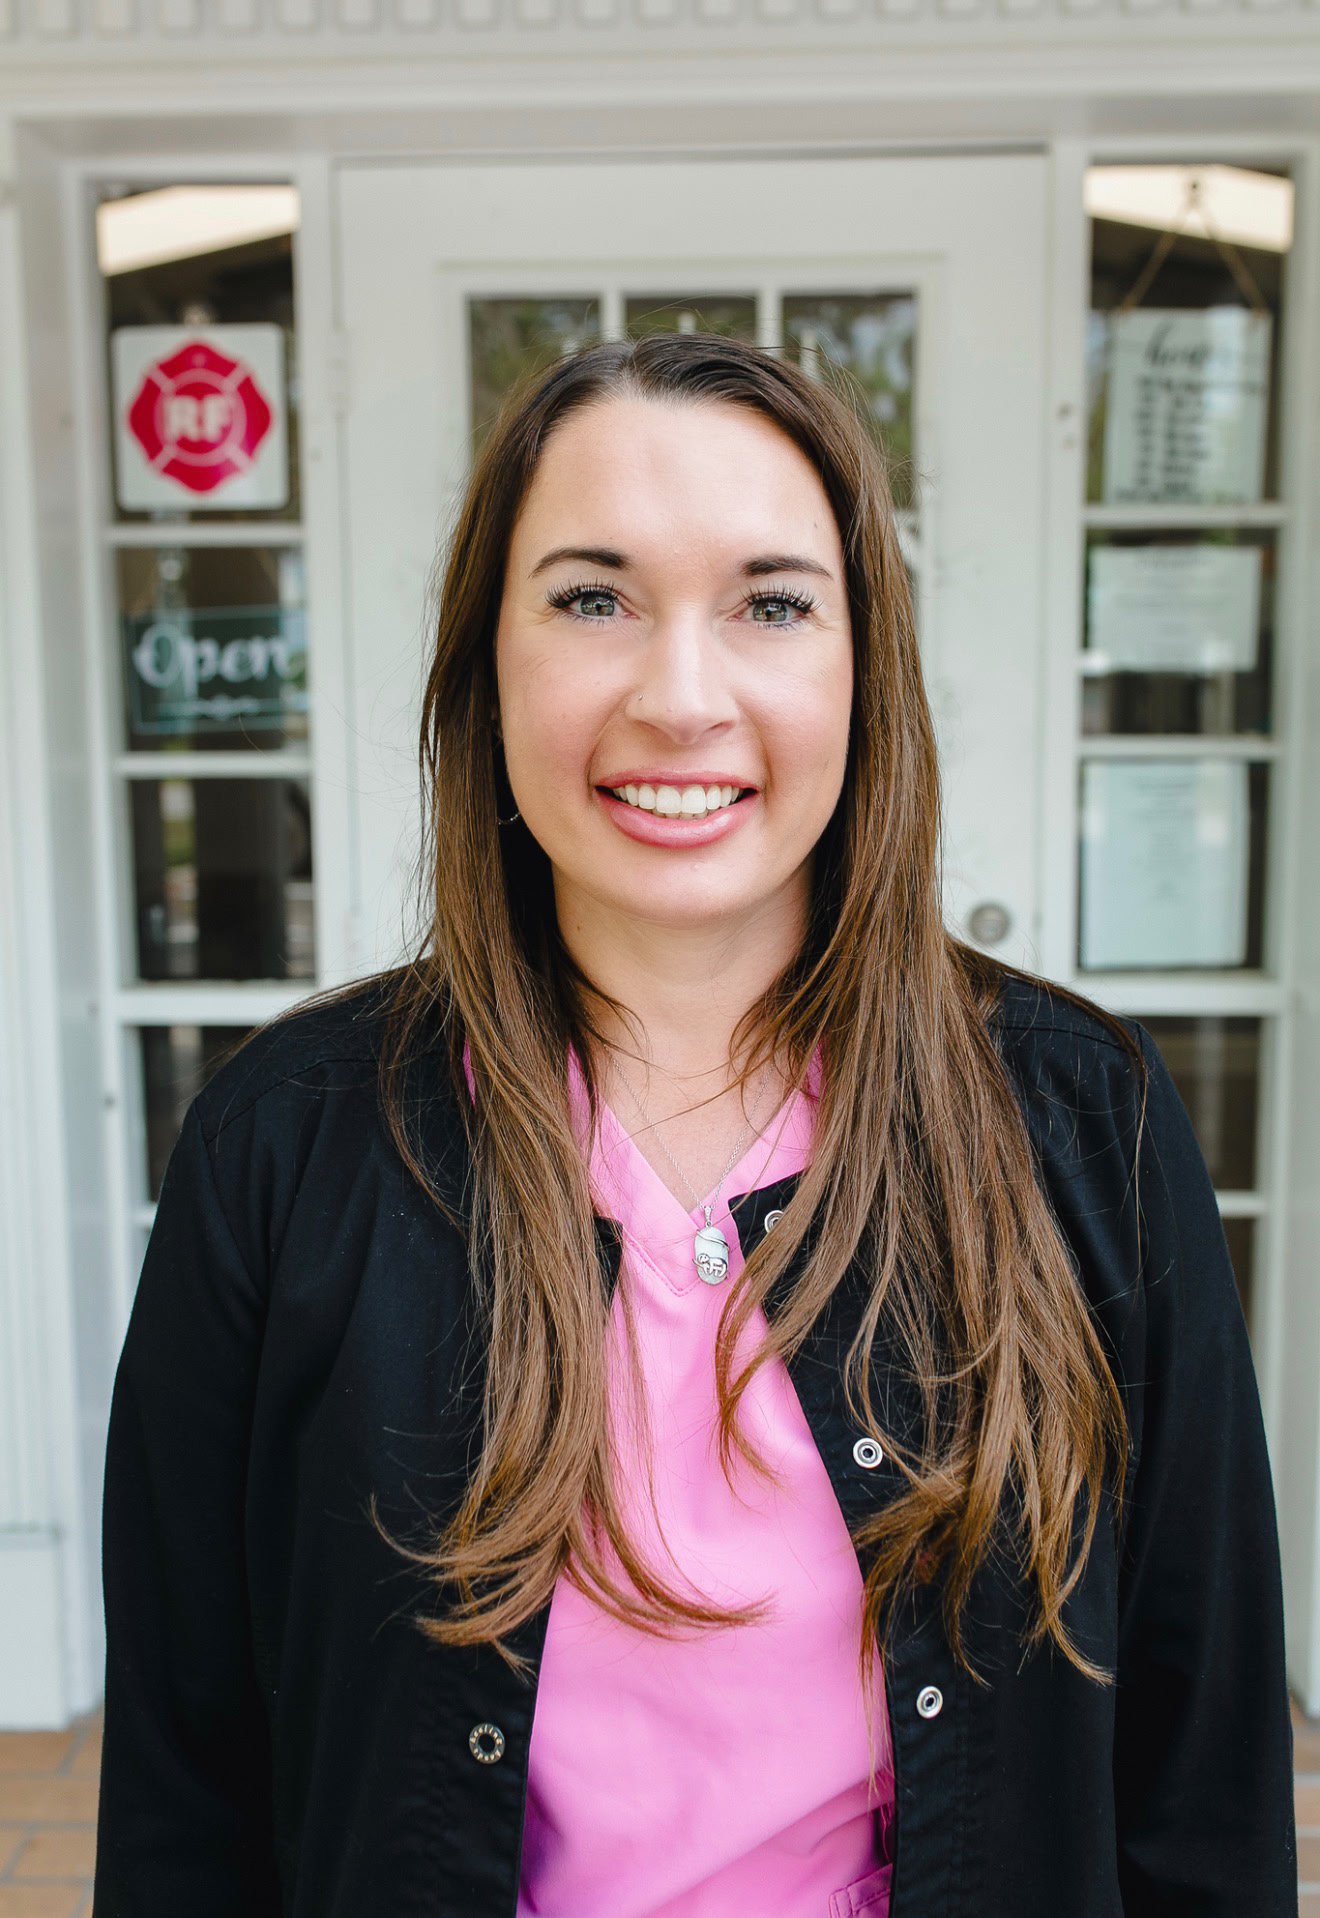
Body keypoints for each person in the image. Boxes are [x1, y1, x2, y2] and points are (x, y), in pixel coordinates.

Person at [93, 333, 1297, 1918]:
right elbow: (190, 1796)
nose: (679, 695)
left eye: (772, 602)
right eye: (592, 597)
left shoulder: (1089, 1131)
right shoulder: (279, 1151)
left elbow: (1199, 1786)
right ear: (488, 659)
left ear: (863, 668)